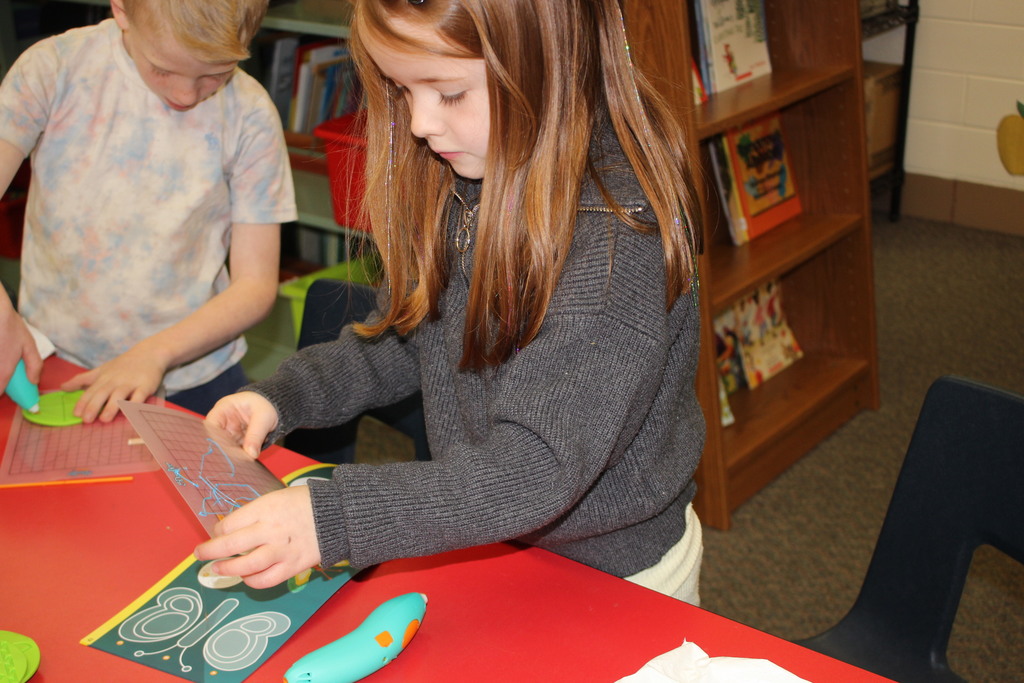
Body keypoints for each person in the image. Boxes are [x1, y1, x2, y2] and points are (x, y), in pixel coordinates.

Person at [195, 0, 707, 604]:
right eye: (402, 90)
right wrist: (281, 397)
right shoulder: (466, 175)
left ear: (552, 65)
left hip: (617, 578)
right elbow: (404, 338)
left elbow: (537, 468)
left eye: (449, 93)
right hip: (490, 538)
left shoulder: (616, 240)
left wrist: (334, 519)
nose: (418, 124)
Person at [0, 0, 296, 422]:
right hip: (56, 361)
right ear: (121, 10)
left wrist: (155, 353)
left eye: (215, 73)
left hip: (193, 375)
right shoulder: (56, 68)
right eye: (163, 69)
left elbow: (255, 287)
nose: (185, 94)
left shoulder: (249, 114)